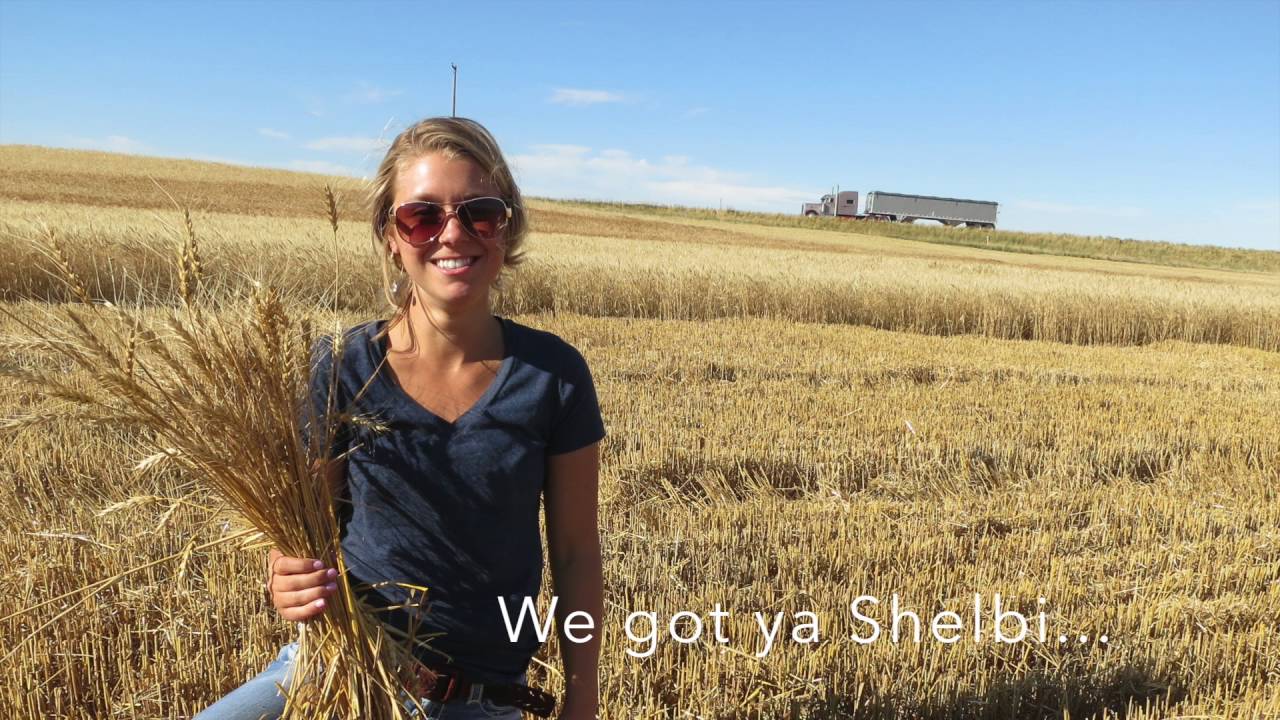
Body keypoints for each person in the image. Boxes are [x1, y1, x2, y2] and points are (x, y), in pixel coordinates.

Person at [196, 117, 605, 720]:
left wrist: (582, 699)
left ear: (506, 226)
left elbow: (575, 554)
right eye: (422, 216)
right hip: (339, 672)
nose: (452, 233)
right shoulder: (341, 368)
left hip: (477, 700)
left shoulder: (554, 375)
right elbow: (305, 535)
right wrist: (285, 576)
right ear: (390, 235)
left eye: (479, 212)